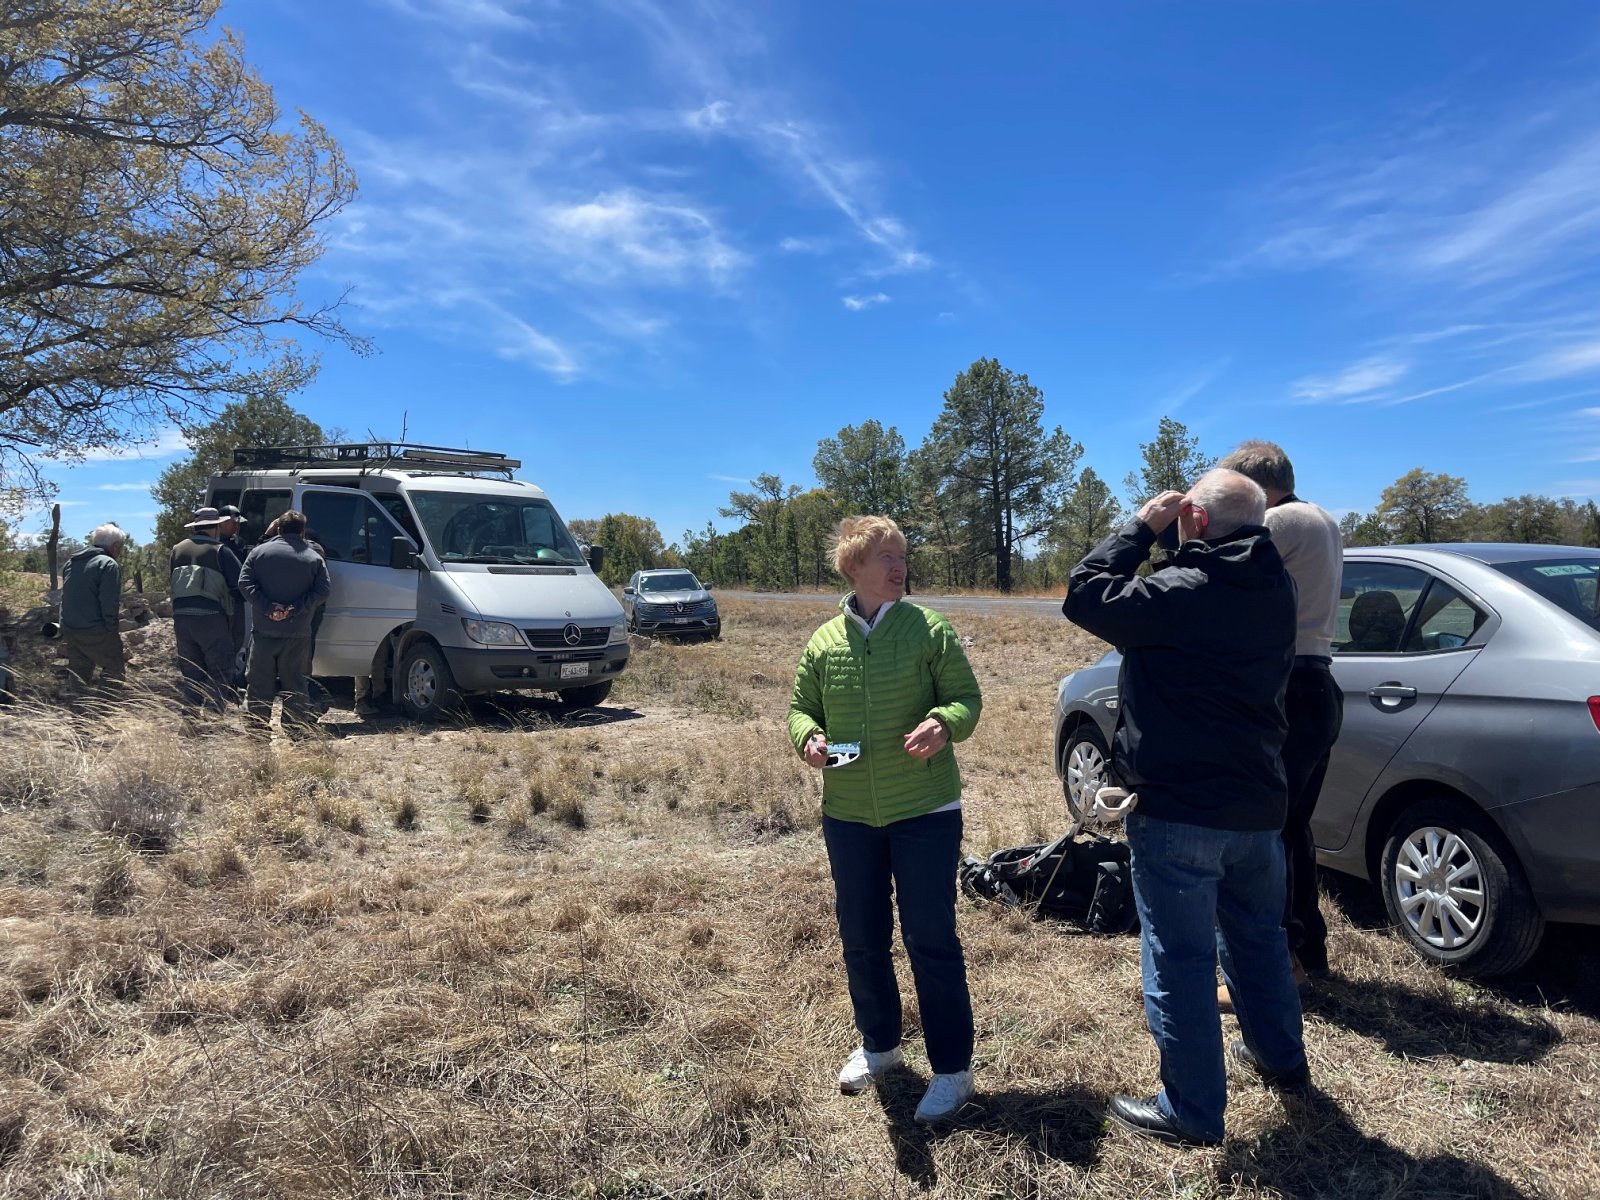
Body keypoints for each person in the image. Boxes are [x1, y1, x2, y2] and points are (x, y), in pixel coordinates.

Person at [1064, 470, 1306, 1148]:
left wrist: (1141, 527)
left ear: (1195, 521)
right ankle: (1281, 1058)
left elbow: (1084, 593)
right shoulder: (1277, 585)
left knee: (1181, 958)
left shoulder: (1184, 588)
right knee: (1258, 939)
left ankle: (1191, 1109)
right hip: (1256, 804)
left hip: (1181, 809)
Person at [788, 516, 984, 1125]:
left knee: (930, 939)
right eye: (886, 558)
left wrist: (944, 723)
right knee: (862, 936)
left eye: (902, 556)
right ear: (853, 568)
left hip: (925, 808)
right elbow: (800, 709)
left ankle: (953, 1071)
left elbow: (966, 698)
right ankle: (880, 1048)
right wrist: (809, 738)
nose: (899, 566)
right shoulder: (824, 641)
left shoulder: (929, 628)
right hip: (849, 814)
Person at [1215, 441, 1344, 996]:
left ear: (1253, 489)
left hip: (1286, 685)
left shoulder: (1278, 521)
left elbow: (1220, 573)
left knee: (1268, 833)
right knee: (1293, 828)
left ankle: (1281, 962)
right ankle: (1308, 949)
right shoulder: (1322, 519)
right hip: (1318, 681)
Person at [239, 510, 330, 738]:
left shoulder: (259, 552)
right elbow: (323, 591)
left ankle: (257, 734)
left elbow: (244, 583)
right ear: (302, 532)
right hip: (297, 633)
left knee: (259, 685)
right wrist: (293, 609)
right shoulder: (313, 557)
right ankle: (295, 734)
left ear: (278, 529)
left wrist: (269, 607)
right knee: (296, 686)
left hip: (264, 631)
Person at [169, 507, 244, 723]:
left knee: (192, 672)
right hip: (212, 618)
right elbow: (240, 585)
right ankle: (212, 721)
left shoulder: (177, 550)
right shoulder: (221, 550)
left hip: (181, 619)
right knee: (220, 670)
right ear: (217, 526)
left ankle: (190, 720)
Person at [60, 524, 128, 695]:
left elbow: (65, 596)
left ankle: (79, 708)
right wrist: (112, 629)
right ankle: (105, 707)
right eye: (120, 547)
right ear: (115, 546)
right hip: (96, 630)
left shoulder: (71, 563)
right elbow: (109, 602)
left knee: (79, 674)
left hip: (71, 629)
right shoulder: (108, 564)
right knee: (114, 669)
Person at [217, 505, 250, 663]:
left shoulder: (239, 543)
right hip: (221, 600)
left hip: (237, 599)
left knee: (238, 636)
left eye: (238, 523)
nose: (237, 526)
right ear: (222, 523)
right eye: (233, 523)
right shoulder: (216, 544)